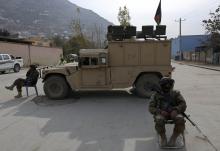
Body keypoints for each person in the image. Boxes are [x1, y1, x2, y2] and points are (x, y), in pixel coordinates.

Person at [149, 77, 187, 147]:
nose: (167, 86)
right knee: (159, 120)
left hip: (174, 113)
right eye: (165, 85)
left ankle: (174, 137)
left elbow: (183, 104)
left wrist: (176, 110)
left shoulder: (176, 93)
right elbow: (151, 108)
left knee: (180, 119)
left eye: (169, 84)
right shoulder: (156, 95)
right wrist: (160, 111)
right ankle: (163, 137)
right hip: (162, 114)